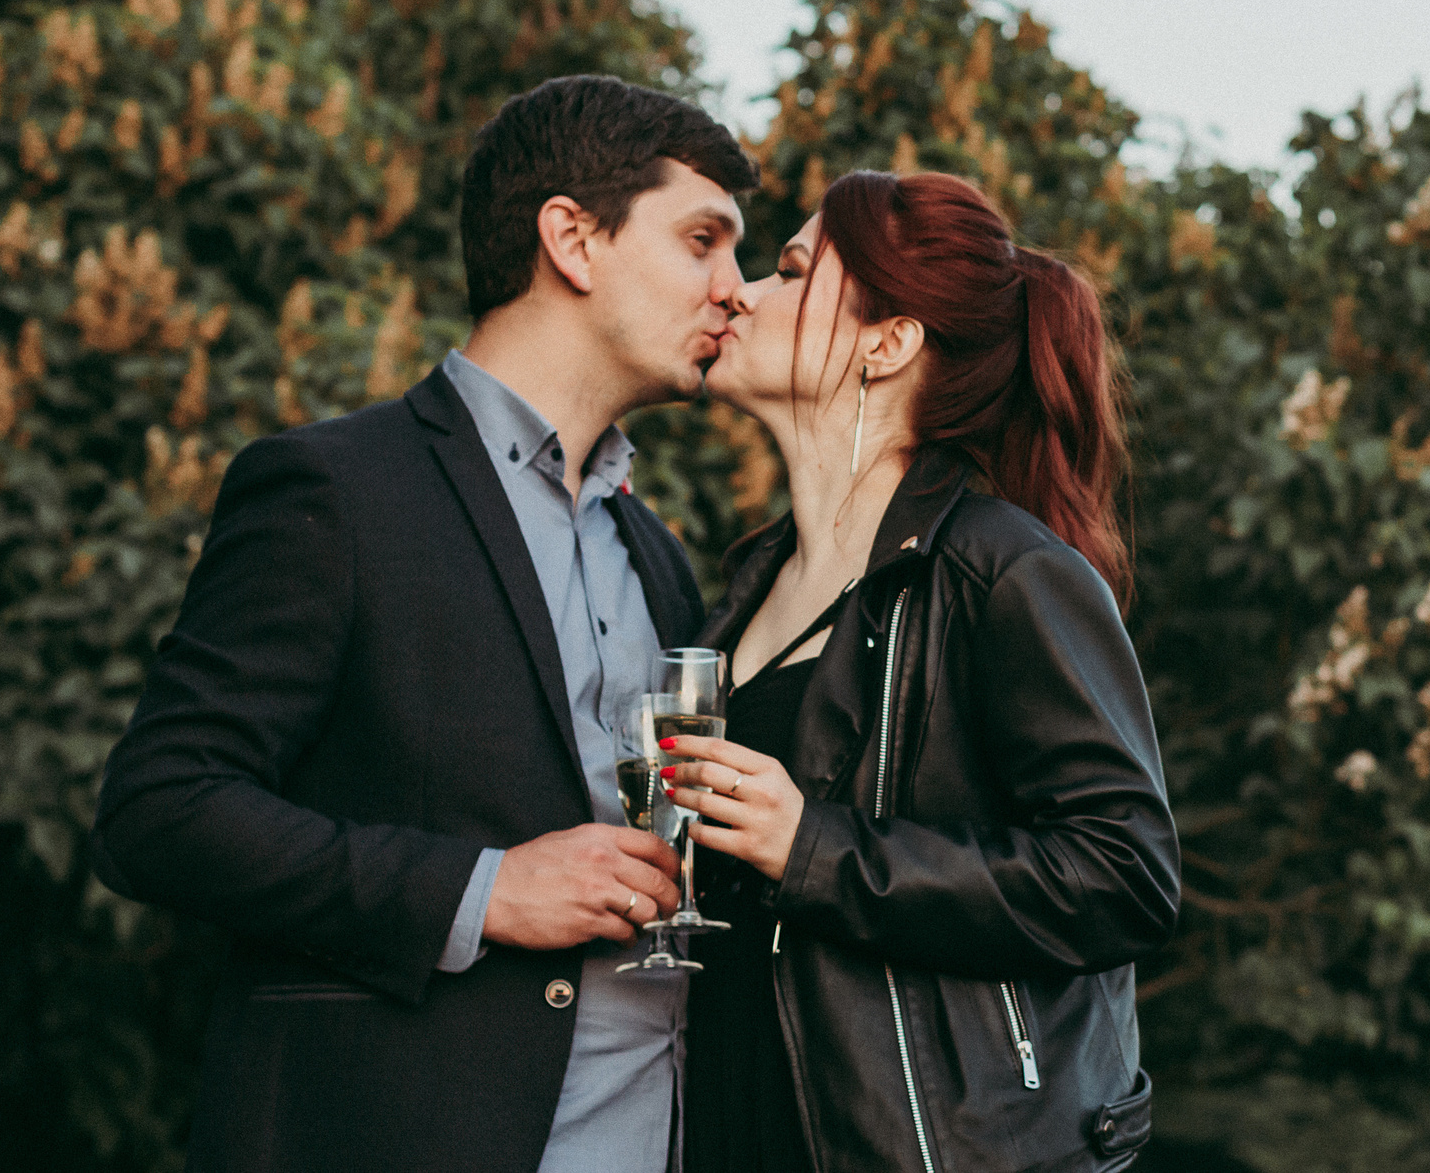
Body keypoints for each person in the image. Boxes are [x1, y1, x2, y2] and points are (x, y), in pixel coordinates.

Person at [91, 76, 760, 1173]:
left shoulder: (661, 556)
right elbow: (159, 811)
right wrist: (484, 890)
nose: (736, 291)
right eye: (703, 241)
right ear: (572, 241)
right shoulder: (336, 489)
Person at [664, 170, 1179, 1173]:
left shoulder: (1002, 569)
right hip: (741, 1124)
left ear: (887, 340)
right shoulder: (743, 588)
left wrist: (811, 846)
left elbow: (1126, 876)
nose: (741, 293)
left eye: (790, 269)